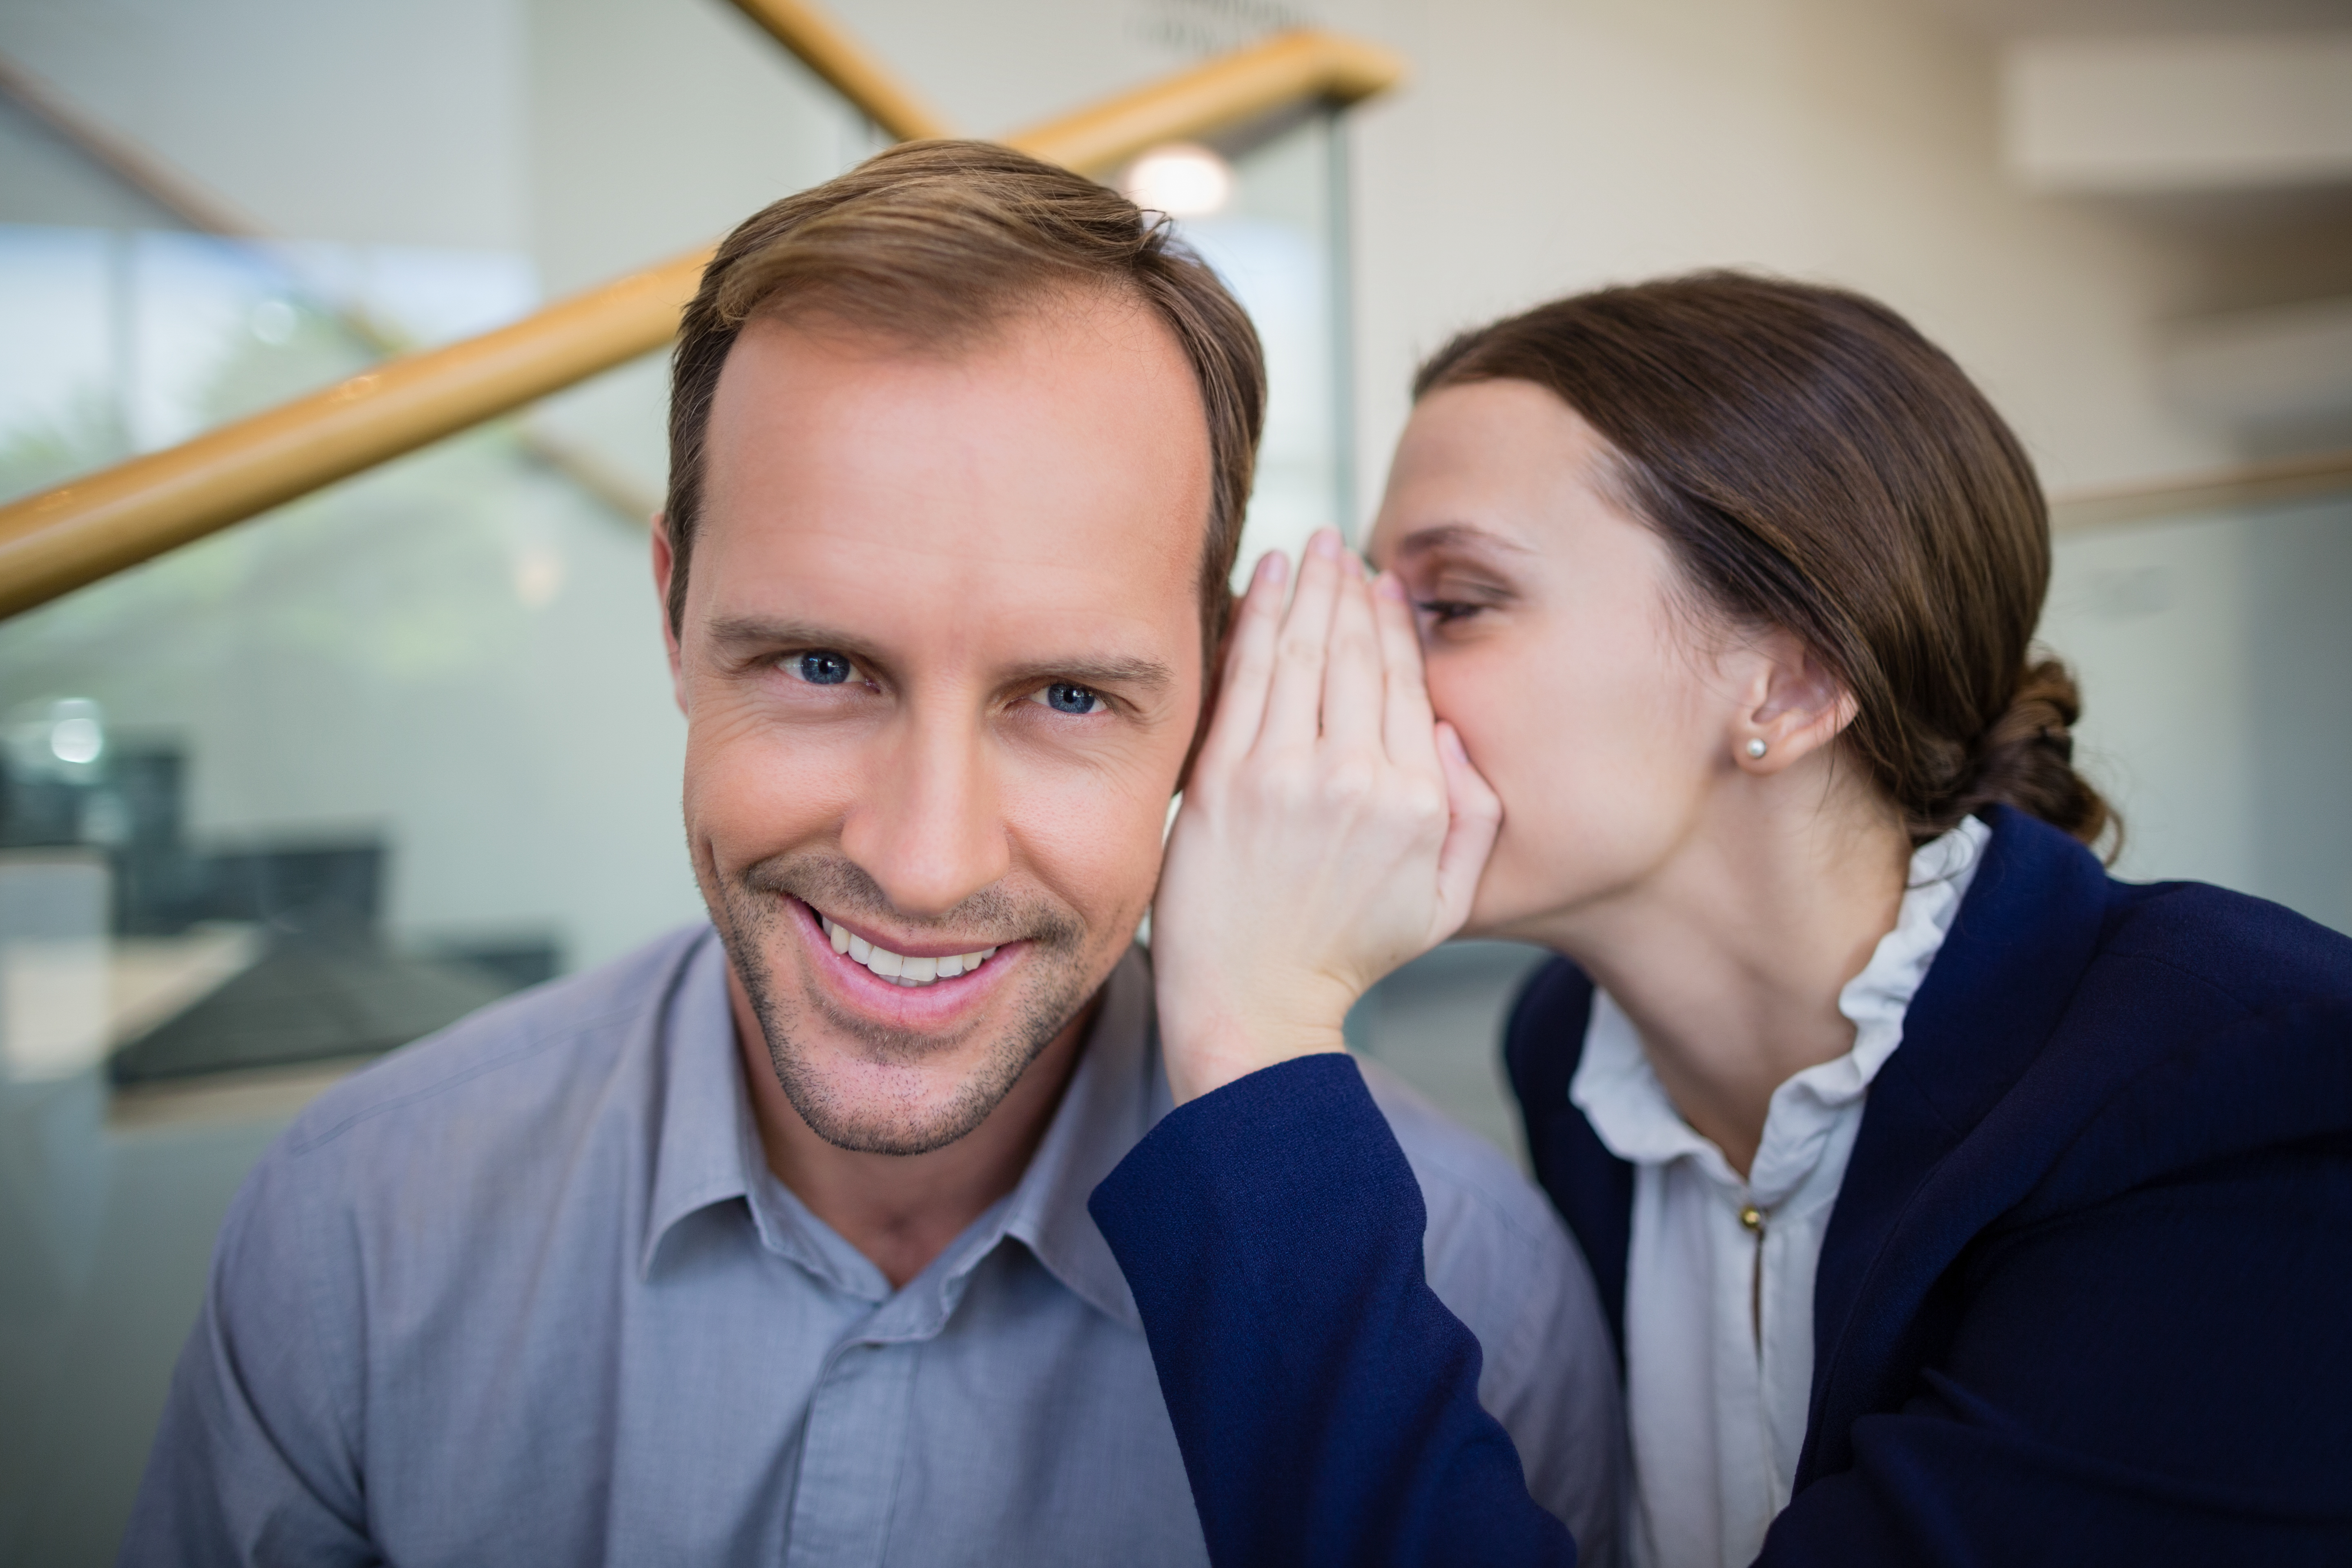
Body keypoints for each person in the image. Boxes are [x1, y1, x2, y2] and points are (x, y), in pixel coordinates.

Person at [117, 141, 1626, 1567]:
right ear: (672, 615)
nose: (920, 859)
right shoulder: (358, 1232)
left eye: (1069, 696)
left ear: (1214, 697)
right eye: (824, 667)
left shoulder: (1476, 1308)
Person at [1090, 272, 2352, 1566]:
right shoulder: (1572, 1051)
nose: (1345, 675)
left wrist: (1254, 1031)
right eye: (1366, 600)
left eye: (1454, 602)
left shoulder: (2250, 1099)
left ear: (1794, 681)